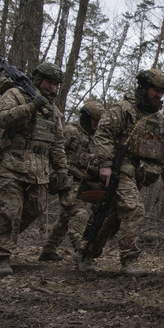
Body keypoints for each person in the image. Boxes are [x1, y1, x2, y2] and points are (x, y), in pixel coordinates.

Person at [76, 69, 164, 277]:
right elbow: (103, 134)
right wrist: (105, 164)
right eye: (156, 90)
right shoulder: (124, 109)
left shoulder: (159, 120)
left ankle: (86, 253)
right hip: (119, 170)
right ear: (144, 88)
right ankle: (129, 260)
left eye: (162, 92)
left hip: (140, 175)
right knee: (134, 209)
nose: (159, 95)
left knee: (112, 218)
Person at [0, 62, 70, 275]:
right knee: (10, 210)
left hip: (39, 170)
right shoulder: (15, 94)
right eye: (48, 81)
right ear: (38, 79)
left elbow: (57, 143)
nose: (51, 87)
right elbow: (1, 118)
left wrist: (62, 170)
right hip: (12, 165)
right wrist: (31, 106)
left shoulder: (52, 110)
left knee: (36, 208)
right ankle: (1, 255)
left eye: (55, 84)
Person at [42, 100, 105, 261]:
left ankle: (48, 250)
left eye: (99, 121)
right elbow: (54, 151)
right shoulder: (71, 131)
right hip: (68, 180)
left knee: (65, 216)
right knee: (78, 213)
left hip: (87, 183)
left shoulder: (98, 138)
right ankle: (83, 251)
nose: (96, 124)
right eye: (94, 120)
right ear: (86, 117)